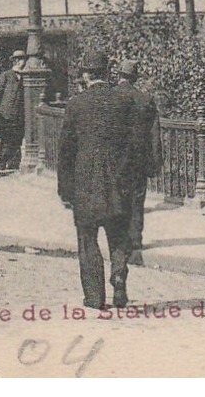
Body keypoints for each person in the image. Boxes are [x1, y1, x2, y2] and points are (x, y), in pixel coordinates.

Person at [57, 48, 146, 310]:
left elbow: (66, 151)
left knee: (87, 239)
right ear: (108, 73)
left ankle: (95, 297)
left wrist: (65, 189)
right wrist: (129, 176)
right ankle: (119, 275)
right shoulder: (123, 102)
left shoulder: (76, 104)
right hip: (118, 180)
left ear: (85, 75)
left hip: (86, 182)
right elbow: (135, 144)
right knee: (118, 235)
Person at [113, 60, 162, 263]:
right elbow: (154, 133)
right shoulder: (145, 99)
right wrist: (155, 160)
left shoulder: (111, 97)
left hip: (116, 158)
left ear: (118, 76)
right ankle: (135, 239)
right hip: (139, 158)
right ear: (135, 78)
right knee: (137, 199)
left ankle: (119, 239)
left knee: (117, 197)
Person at [0, 49, 28, 171]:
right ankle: (2, 163)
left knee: (17, 138)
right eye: (23, 59)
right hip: (6, 113)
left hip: (20, 113)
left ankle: (14, 163)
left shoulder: (26, 76)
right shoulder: (6, 75)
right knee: (6, 138)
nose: (24, 62)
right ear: (17, 61)